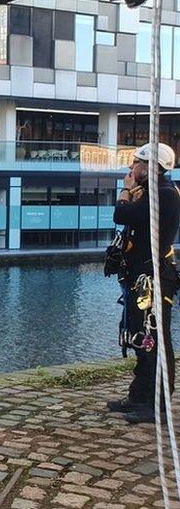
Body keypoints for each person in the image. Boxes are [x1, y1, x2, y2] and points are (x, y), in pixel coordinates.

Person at [107, 143, 180, 424]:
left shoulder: (164, 195)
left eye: (135, 163)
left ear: (150, 167)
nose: (130, 169)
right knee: (140, 338)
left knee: (155, 341)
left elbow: (122, 214)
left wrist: (125, 191)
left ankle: (156, 406)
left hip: (155, 279)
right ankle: (138, 396)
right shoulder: (153, 193)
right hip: (142, 279)